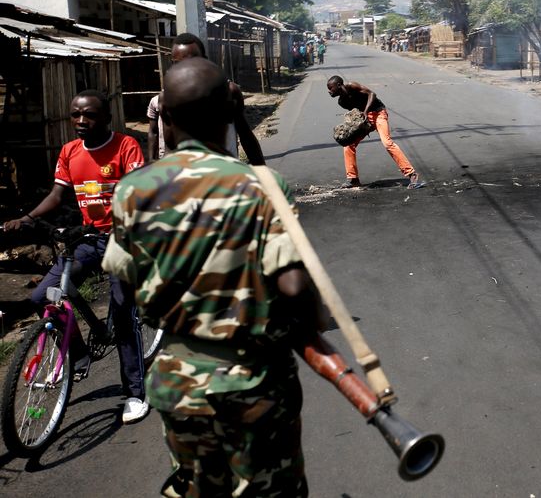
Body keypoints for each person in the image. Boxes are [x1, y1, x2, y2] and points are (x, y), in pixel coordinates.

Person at [103, 58, 328, 497]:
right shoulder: (263, 186)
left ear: (164, 117)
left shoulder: (133, 190)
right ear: (228, 114)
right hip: (254, 383)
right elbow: (294, 288)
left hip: (177, 384)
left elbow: (125, 281)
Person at [4, 90, 149, 424]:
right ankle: (79, 353)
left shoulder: (126, 146)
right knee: (44, 295)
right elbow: (57, 195)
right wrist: (26, 219)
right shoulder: (70, 152)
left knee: (124, 315)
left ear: (106, 118)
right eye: (76, 115)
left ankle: (135, 393)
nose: (81, 121)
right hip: (87, 239)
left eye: (90, 115)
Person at [147, 33, 266, 164]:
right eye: (179, 64)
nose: (186, 68)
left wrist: (262, 170)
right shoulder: (167, 97)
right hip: (182, 174)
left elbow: (245, 134)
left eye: (193, 61)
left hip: (225, 171)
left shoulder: (227, 91)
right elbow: (168, 145)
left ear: (205, 59)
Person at [327, 75, 422, 189]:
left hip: (378, 113)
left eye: (330, 88)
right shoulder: (342, 102)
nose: (329, 91)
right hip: (365, 119)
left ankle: (412, 174)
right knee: (348, 145)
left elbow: (372, 94)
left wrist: (366, 111)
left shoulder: (352, 86)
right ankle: (353, 179)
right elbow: (355, 113)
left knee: (387, 143)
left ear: (338, 85)